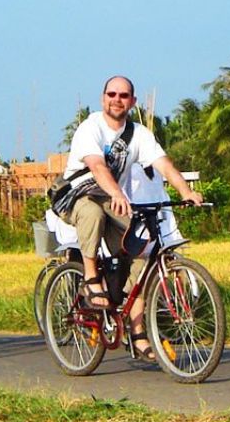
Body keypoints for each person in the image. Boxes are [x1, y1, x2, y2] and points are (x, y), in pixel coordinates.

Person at [57, 75, 203, 359]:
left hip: (114, 200)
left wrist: (186, 191)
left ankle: (137, 332)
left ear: (132, 102)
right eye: (112, 94)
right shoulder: (91, 128)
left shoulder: (139, 134)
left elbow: (163, 164)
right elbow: (97, 167)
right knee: (92, 212)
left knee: (142, 249)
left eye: (124, 95)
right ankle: (90, 277)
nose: (117, 99)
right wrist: (118, 194)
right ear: (103, 99)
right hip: (76, 197)